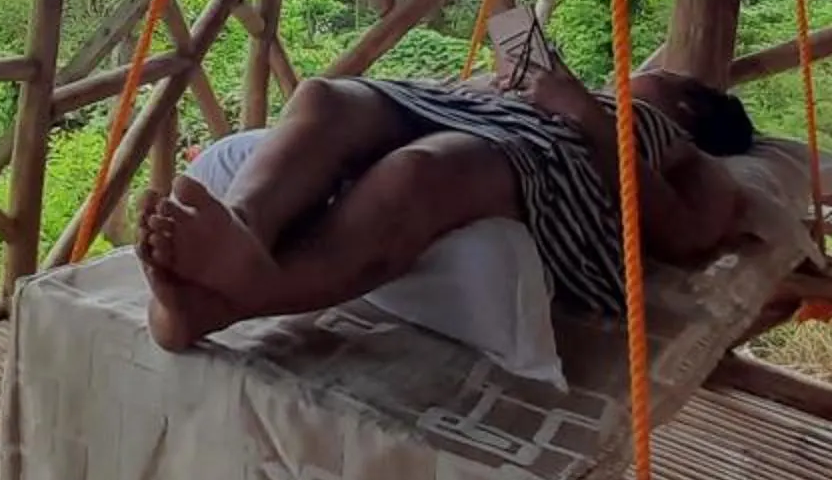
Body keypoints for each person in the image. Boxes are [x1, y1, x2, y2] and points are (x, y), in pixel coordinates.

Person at [137, 63, 759, 353]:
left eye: (664, 77)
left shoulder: (674, 143)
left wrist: (588, 119)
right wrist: (494, 85)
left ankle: (238, 296)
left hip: (554, 155)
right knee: (325, 98)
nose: (641, 70)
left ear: (687, 107)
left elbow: (689, 235)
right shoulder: (586, 93)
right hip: (480, 114)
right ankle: (242, 228)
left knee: (419, 172)